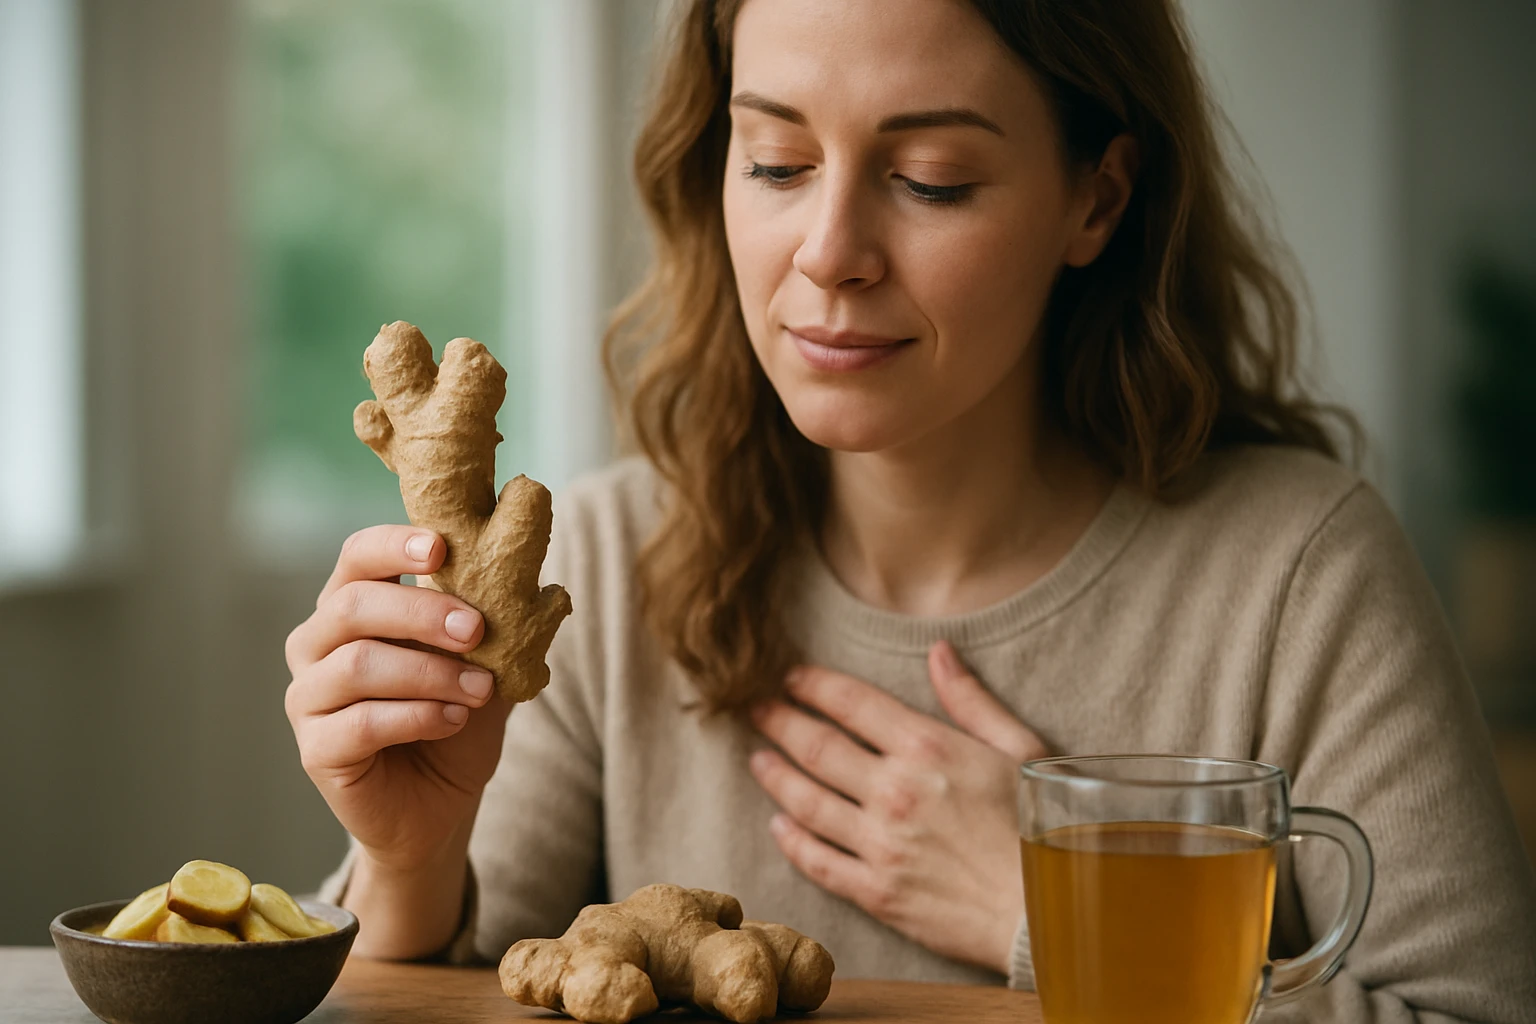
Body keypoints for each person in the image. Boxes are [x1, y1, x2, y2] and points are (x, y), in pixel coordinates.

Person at [283, 0, 1536, 1020]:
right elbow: (448, 986)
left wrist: (1054, 913)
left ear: (1095, 201)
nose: (828, 250)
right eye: (774, 160)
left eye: (930, 180)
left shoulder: (1300, 572)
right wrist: (408, 856)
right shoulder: (604, 568)